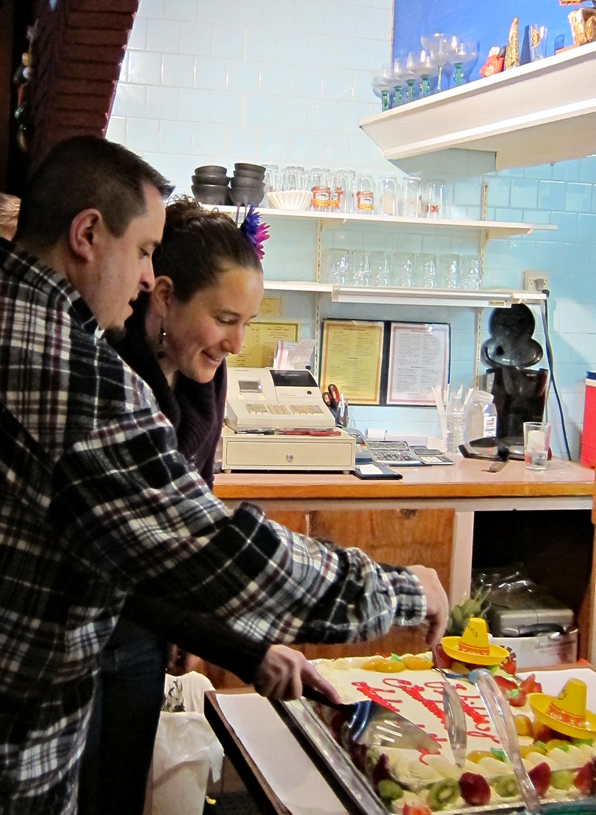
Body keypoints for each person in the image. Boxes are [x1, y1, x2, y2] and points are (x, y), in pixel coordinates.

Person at [1, 135, 448, 815]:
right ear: (88, 233)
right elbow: (217, 553)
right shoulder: (77, 377)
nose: (146, 277)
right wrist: (401, 591)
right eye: (145, 251)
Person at [79, 197, 335, 815]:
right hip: (83, 641)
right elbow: (140, 555)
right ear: (163, 296)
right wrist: (244, 646)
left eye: (248, 322)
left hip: (141, 637)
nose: (238, 344)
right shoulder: (111, 381)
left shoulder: (204, 379)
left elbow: (197, 508)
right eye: (225, 319)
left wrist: (188, 619)